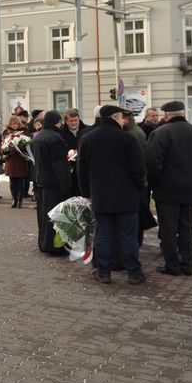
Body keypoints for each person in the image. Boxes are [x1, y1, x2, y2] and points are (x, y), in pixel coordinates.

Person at [78, 105, 148, 285]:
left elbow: (82, 170)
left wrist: (87, 193)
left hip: (100, 196)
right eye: (122, 117)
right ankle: (134, 273)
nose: (124, 121)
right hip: (127, 197)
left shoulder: (87, 139)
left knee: (103, 235)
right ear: (115, 117)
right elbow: (139, 169)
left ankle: (103, 272)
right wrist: (139, 188)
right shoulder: (128, 138)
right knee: (128, 236)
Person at [145, 101, 192, 276]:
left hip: (166, 189)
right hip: (190, 188)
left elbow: (152, 162)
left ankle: (172, 264)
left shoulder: (160, 133)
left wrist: (154, 183)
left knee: (168, 229)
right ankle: (188, 264)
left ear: (167, 115)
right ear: (183, 113)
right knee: (187, 228)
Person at [30, 110, 70, 255]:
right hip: (53, 183)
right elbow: (59, 165)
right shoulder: (55, 138)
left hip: (41, 180)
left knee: (43, 215)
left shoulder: (39, 136)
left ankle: (44, 243)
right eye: (60, 122)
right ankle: (54, 246)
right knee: (56, 215)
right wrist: (66, 185)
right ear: (56, 122)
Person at [2, 115, 30, 209]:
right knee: (12, 182)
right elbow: (2, 145)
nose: (14, 126)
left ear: (18, 124)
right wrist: (5, 149)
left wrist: (21, 146)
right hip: (11, 160)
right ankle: (14, 199)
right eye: (12, 124)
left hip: (20, 160)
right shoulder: (6, 133)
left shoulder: (24, 132)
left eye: (15, 124)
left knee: (20, 181)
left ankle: (20, 200)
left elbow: (28, 144)